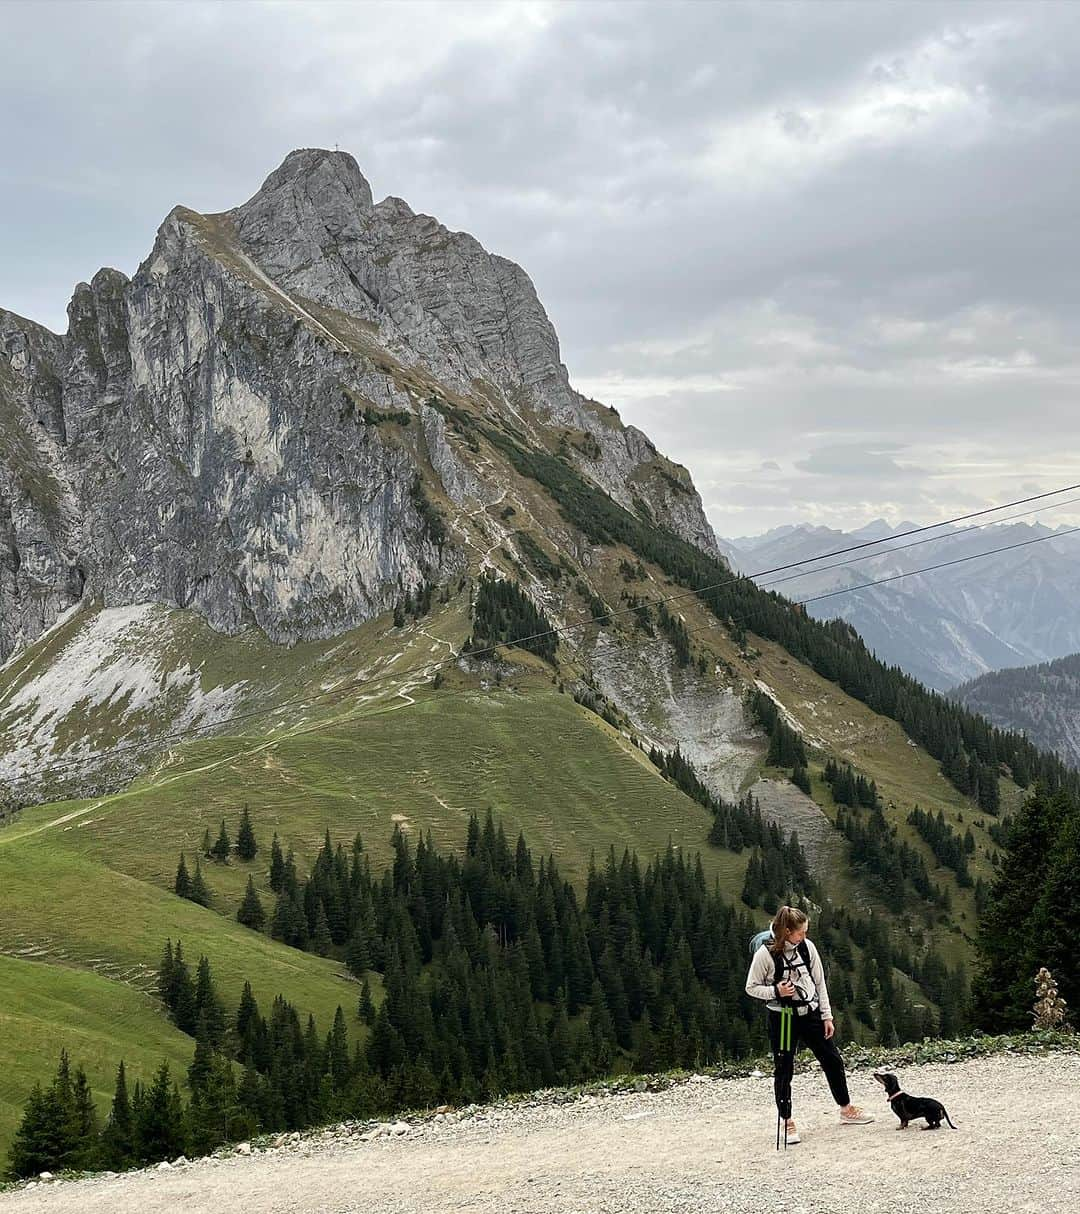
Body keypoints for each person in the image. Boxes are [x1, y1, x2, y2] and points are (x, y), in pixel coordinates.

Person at [745, 905, 873, 1143]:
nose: (804, 936)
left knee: (832, 1059)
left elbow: (820, 982)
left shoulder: (807, 948)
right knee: (784, 1068)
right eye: (800, 933)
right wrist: (776, 990)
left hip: (810, 1013)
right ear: (786, 931)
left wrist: (827, 1016)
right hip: (782, 1017)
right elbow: (751, 987)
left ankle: (846, 1109)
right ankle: (787, 1121)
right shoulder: (765, 954)